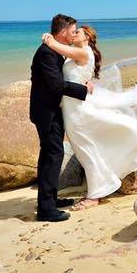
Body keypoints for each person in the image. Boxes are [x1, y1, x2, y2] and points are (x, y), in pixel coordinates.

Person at [41, 24, 137, 211]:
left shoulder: (83, 52)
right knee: (86, 149)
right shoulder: (79, 52)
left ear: (87, 38)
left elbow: (58, 48)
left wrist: (49, 39)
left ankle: (95, 194)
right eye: (73, 31)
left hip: (78, 111)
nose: (74, 34)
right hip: (72, 108)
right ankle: (99, 187)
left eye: (78, 32)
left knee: (86, 150)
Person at [29, 14, 93, 222]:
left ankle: (50, 200)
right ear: (63, 31)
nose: (74, 33)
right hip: (45, 112)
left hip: (52, 109)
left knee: (51, 155)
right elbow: (56, 85)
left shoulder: (54, 50)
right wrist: (82, 89)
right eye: (72, 30)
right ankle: (46, 210)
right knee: (52, 155)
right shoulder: (47, 53)